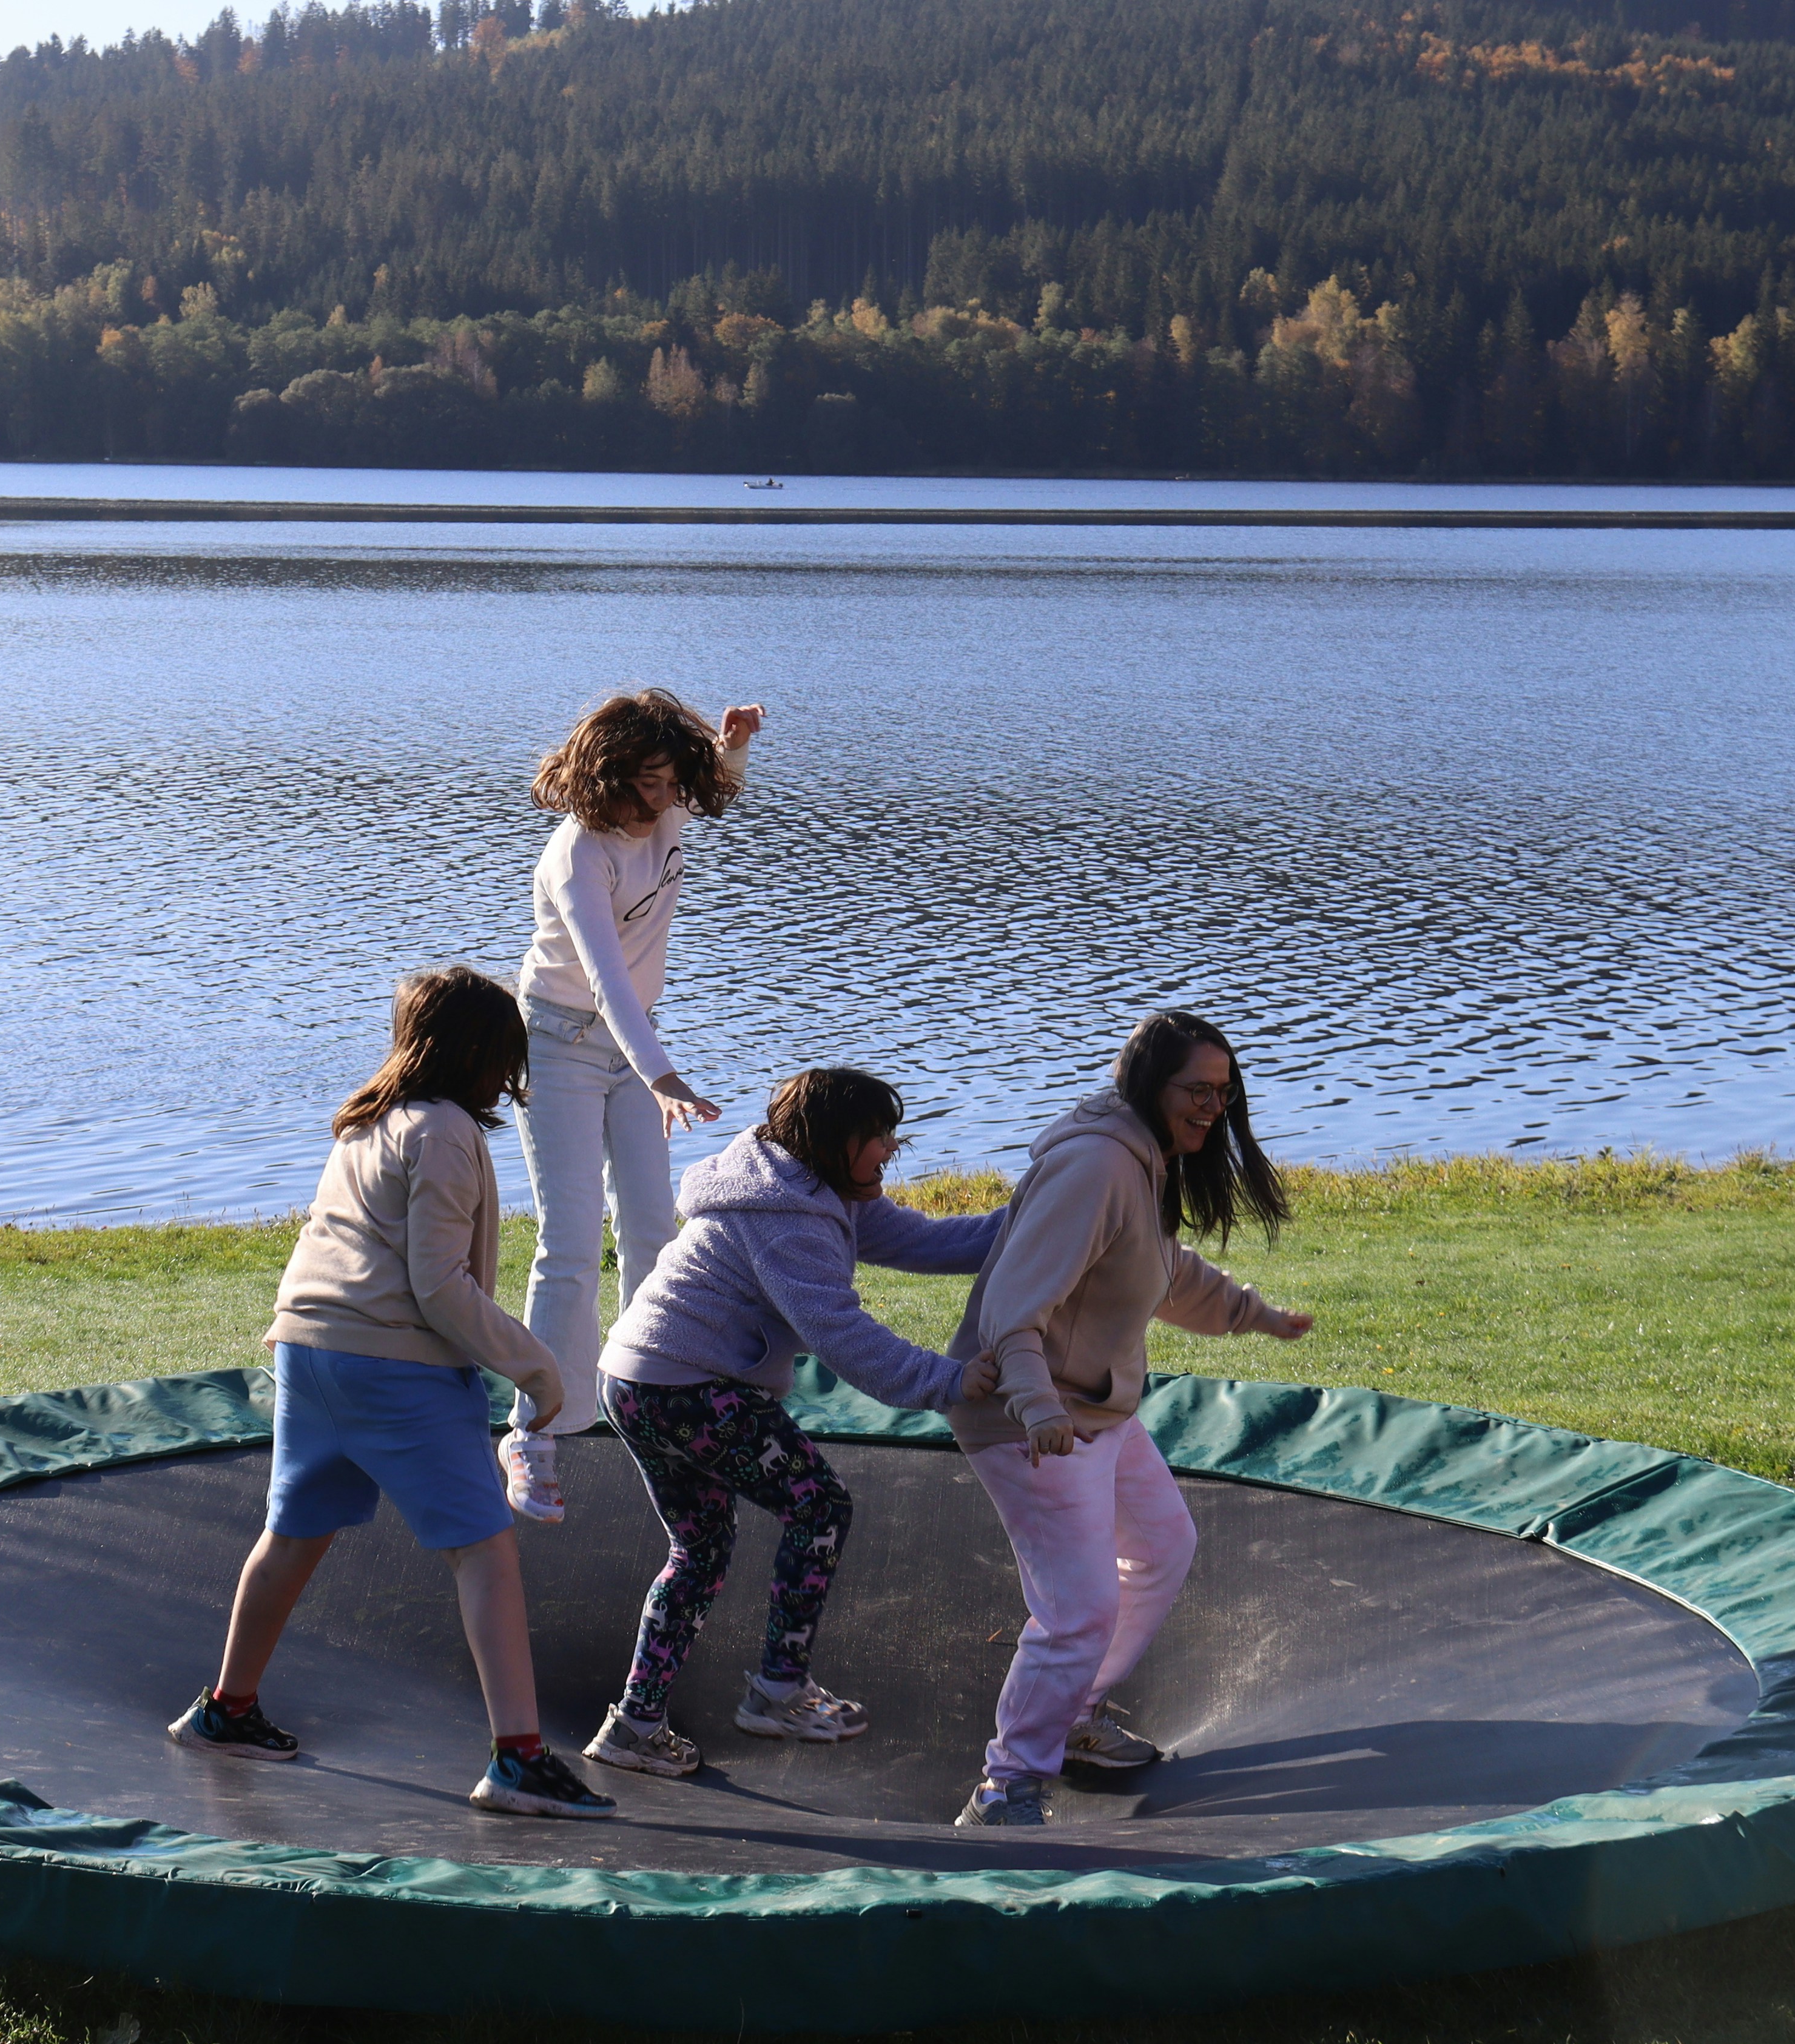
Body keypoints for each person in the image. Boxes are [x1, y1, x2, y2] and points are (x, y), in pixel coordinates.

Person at [167, 964, 616, 1818]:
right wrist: (536, 1365)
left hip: (308, 1352)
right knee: (484, 1549)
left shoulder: (367, 1119)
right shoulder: (444, 1132)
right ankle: (518, 1759)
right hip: (395, 1368)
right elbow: (440, 1288)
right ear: (479, 1057)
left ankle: (225, 1709)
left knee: (294, 1535)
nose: (507, 1080)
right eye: (505, 1061)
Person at [941, 1012, 1317, 1829]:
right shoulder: (1095, 1167)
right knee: (1077, 1608)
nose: (1213, 1108)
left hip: (1089, 1408)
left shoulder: (1140, 1161)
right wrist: (1037, 1405)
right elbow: (1013, 1305)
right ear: (1150, 1084)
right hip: (1029, 1414)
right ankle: (1007, 1785)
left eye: (1224, 1093)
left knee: (1160, 1545)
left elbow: (1162, 1269)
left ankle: (1074, 1714)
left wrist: (1255, 1315)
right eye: (1198, 1090)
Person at [581, 1069, 1011, 1780]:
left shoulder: (811, 1185)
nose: (890, 1148)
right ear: (836, 1140)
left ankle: (634, 1725)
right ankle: (779, 1690)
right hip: (686, 1385)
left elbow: (930, 1243)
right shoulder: (784, 1217)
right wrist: (950, 1382)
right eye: (878, 1136)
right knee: (819, 1506)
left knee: (701, 1550)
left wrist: (1031, 1217)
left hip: (635, 1378)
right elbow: (843, 1336)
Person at [499, 686, 763, 1522]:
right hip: (560, 1045)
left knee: (653, 1227)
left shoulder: (668, 808)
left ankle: (653, 1399)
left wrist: (731, 749)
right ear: (605, 777)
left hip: (633, 1041)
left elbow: (717, 788)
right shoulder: (577, 854)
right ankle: (535, 1431)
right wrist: (662, 1075)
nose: (659, 801)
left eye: (668, 780)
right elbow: (606, 978)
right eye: (642, 784)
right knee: (570, 1241)